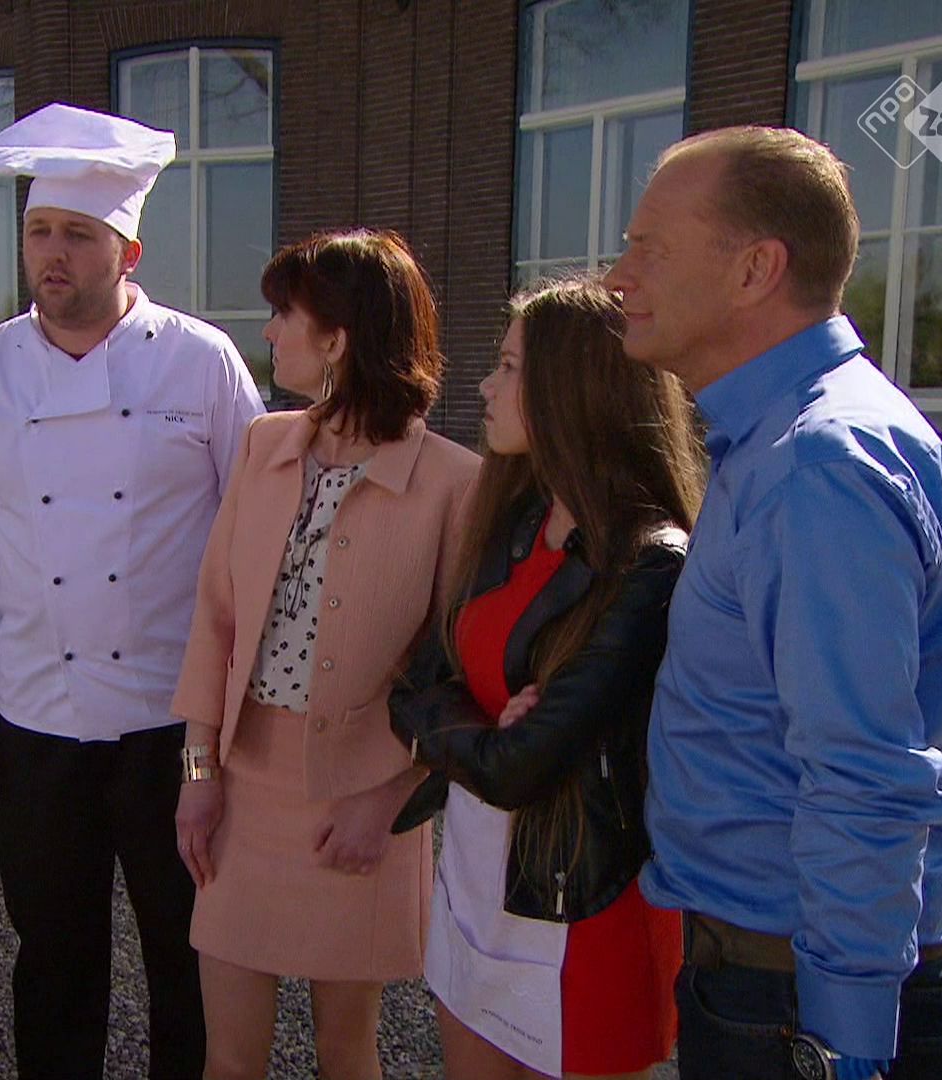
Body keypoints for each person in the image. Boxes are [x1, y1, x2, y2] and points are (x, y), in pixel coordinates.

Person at [604, 126, 942, 1080]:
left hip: (795, 1000)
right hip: (778, 982)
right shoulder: (788, 439)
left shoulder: (814, 464)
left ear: (756, 270)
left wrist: (844, 1043)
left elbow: (863, 772)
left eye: (650, 248)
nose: (618, 277)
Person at [0, 103, 264, 1079]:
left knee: (188, 952)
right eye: (38, 232)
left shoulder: (202, 361)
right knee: (54, 957)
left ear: (127, 252)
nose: (52, 254)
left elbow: (255, 536)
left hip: (174, 723)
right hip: (38, 719)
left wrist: (249, 710)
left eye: (76, 234)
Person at [169, 228, 479, 1080]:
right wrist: (197, 772)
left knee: (347, 1055)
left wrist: (388, 800)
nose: (269, 333)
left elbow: (461, 674)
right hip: (241, 794)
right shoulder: (262, 446)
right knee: (229, 1060)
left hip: (363, 802)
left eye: (285, 314)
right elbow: (215, 621)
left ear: (338, 338)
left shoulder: (456, 483)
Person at [386, 277, 702, 1080]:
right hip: (473, 884)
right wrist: (480, 730)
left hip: (578, 912)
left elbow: (522, 767)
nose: (485, 387)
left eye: (508, 366)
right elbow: (413, 686)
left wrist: (459, 733)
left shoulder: (649, 563)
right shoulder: (513, 517)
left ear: (573, 387)